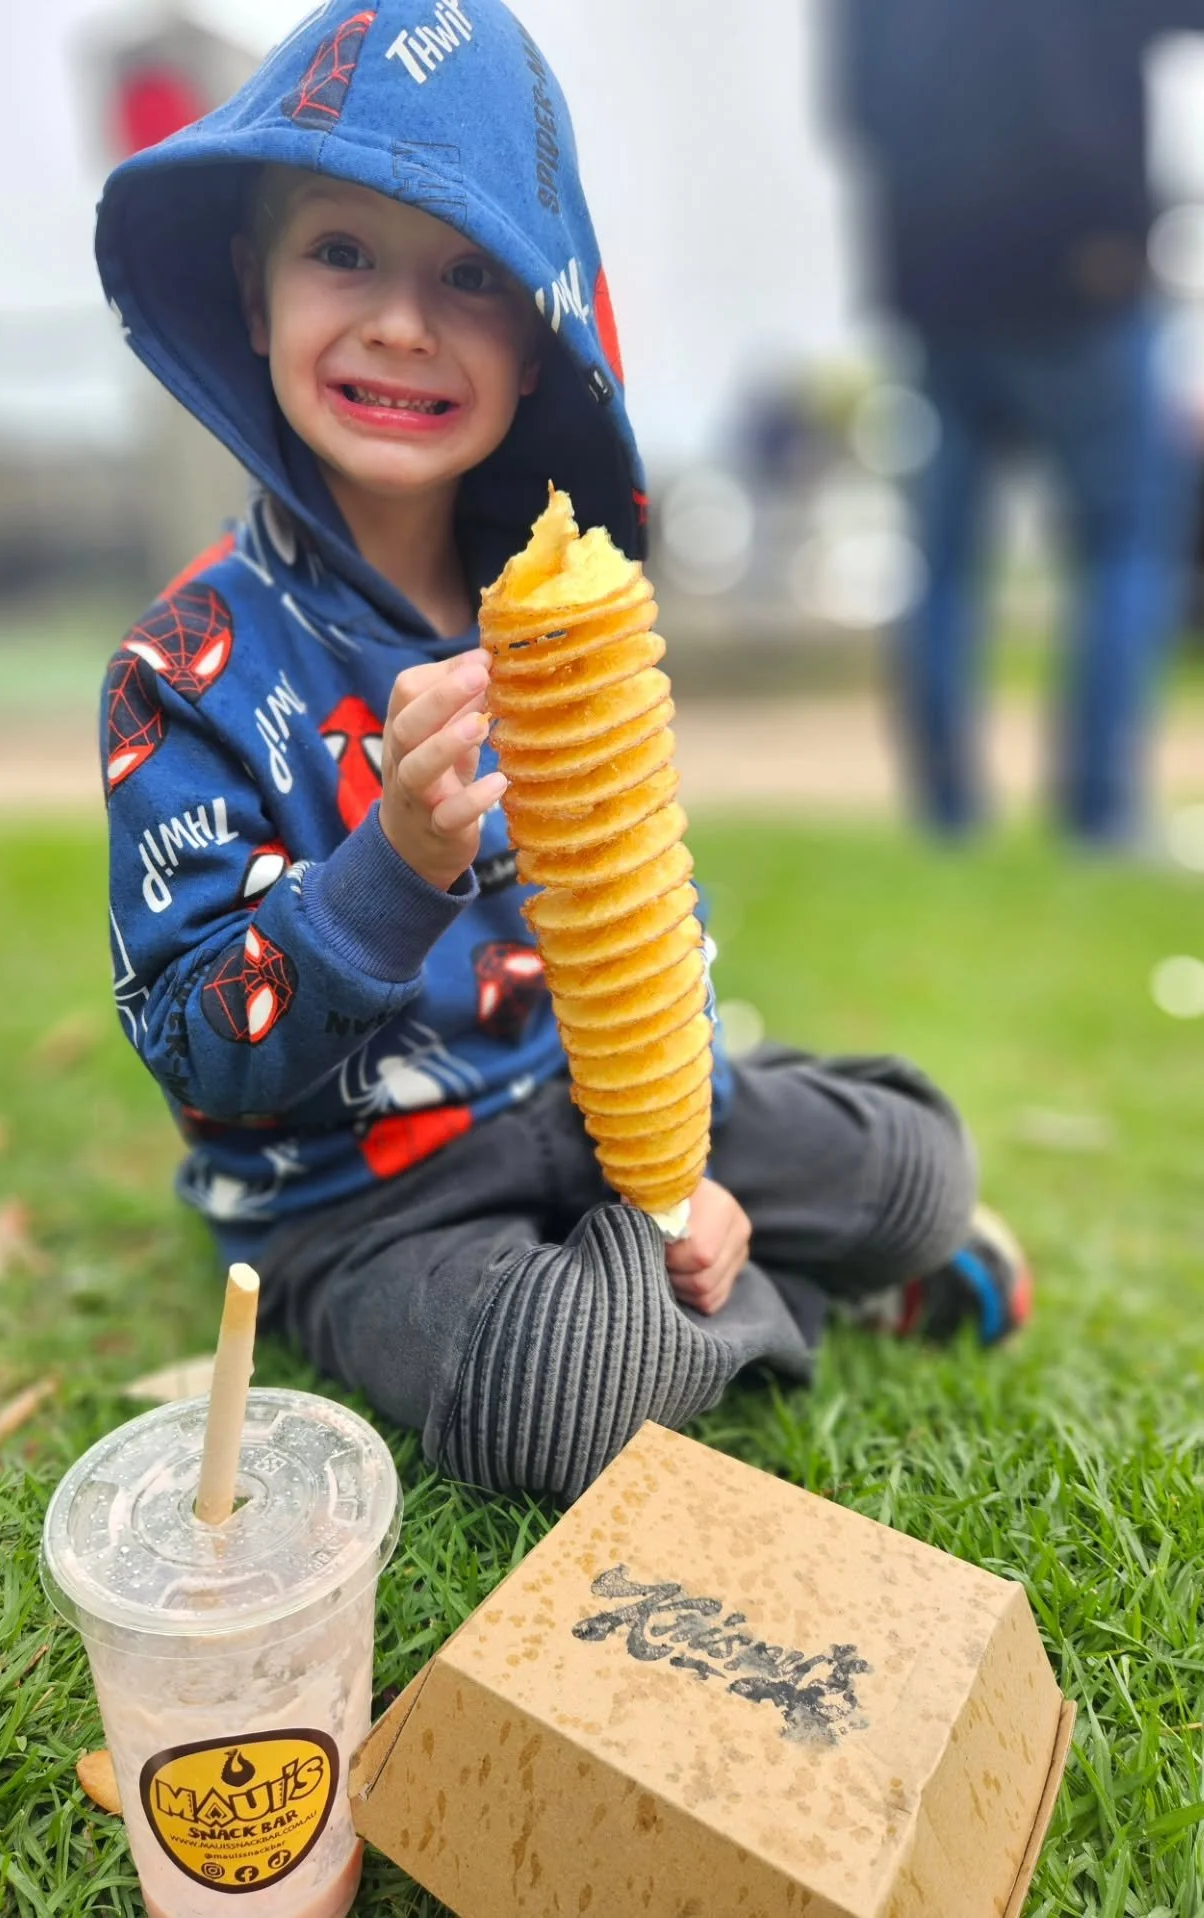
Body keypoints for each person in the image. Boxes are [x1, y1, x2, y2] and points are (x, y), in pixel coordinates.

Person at [96, 0, 1027, 1505]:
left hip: (591, 1092)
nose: (402, 320)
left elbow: (644, 893)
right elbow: (206, 1054)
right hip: (369, 1195)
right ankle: (754, 1295)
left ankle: (706, 1249)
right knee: (543, 1400)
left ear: (539, 343)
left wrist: (676, 1150)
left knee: (924, 1168)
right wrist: (393, 867)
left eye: (468, 275)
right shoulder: (186, 667)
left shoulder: (564, 615)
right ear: (252, 295)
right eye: (342, 252)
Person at [834, 0, 1202, 845]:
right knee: (1122, 545)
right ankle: (1102, 814)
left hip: (939, 275)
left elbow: (860, 105)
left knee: (947, 560)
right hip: (1083, 272)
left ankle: (948, 816)